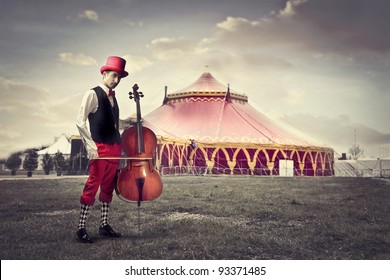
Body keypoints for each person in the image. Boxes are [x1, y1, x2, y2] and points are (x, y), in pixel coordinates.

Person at [75, 56, 128, 243]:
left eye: (119, 77)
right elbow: (79, 121)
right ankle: (81, 228)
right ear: (104, 73)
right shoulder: (92, 93)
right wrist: (90, 146)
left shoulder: (113, 97)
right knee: (92, 185)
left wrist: (128, 123)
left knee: (108, 186)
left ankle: (104, 224)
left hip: (115, 147)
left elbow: (112, 123)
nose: (117, 80)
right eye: (114, 75)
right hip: (100, 148)